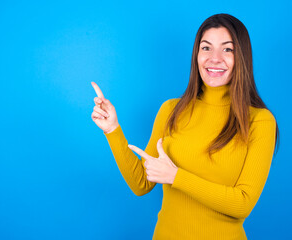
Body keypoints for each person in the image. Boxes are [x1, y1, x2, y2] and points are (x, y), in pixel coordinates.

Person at [91, 13, 279, 240]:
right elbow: (142, 183)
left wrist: (176, 177)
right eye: (206, 48)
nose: (215, 58)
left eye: (227, 49)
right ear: (196, 55)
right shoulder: (171, 110)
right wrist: (112, 129)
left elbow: (243, 203)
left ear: (242, 57)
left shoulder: (259, 121)